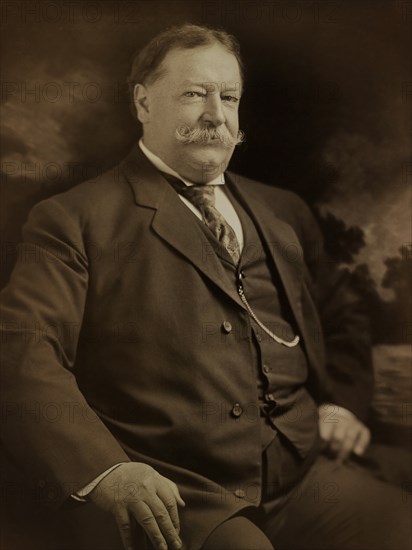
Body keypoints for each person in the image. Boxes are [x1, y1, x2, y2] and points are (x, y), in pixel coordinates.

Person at [1, 24, 410, 550]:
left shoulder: (282, 212)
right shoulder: (72, 220)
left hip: (303, 475)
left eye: (229, 96)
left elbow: (341, 312)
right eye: (194, 94)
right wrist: (107, 472)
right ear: (144, 103)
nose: (216, 114)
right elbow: (22, 349)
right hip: (181, 490)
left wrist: (341, 406)